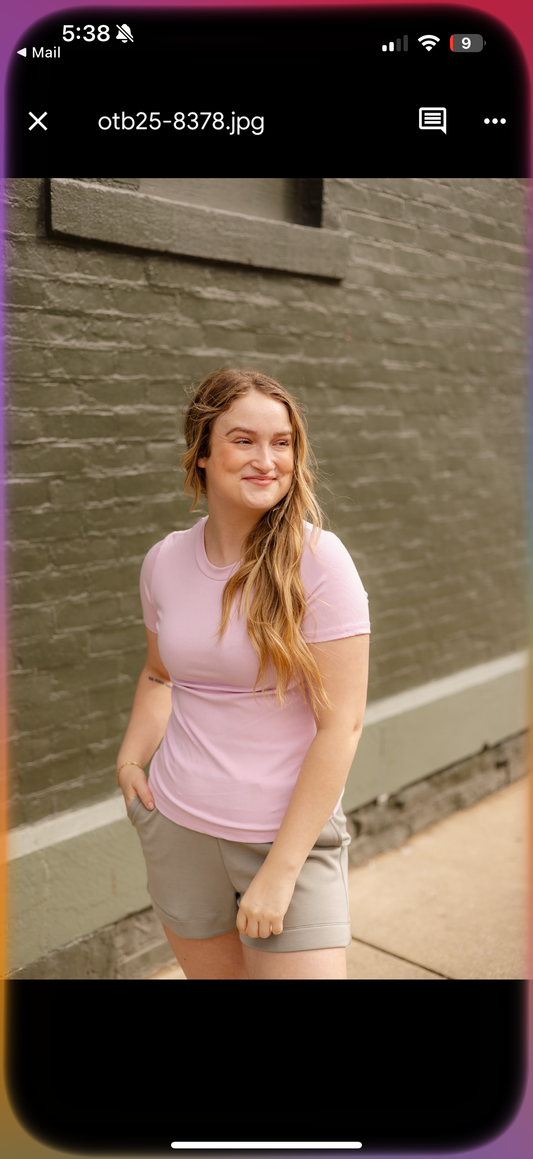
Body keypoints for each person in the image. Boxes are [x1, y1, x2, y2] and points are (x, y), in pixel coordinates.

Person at [116, 367, 370, 979]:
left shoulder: (319, 561)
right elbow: (159, 674)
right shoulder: (165, 560)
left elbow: (343, 726)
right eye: (243, 440)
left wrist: (280, 873)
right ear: (202, 453)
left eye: (281, 442)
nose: (266, 459)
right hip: (178, 827)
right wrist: (129, 761)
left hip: (286, 841)